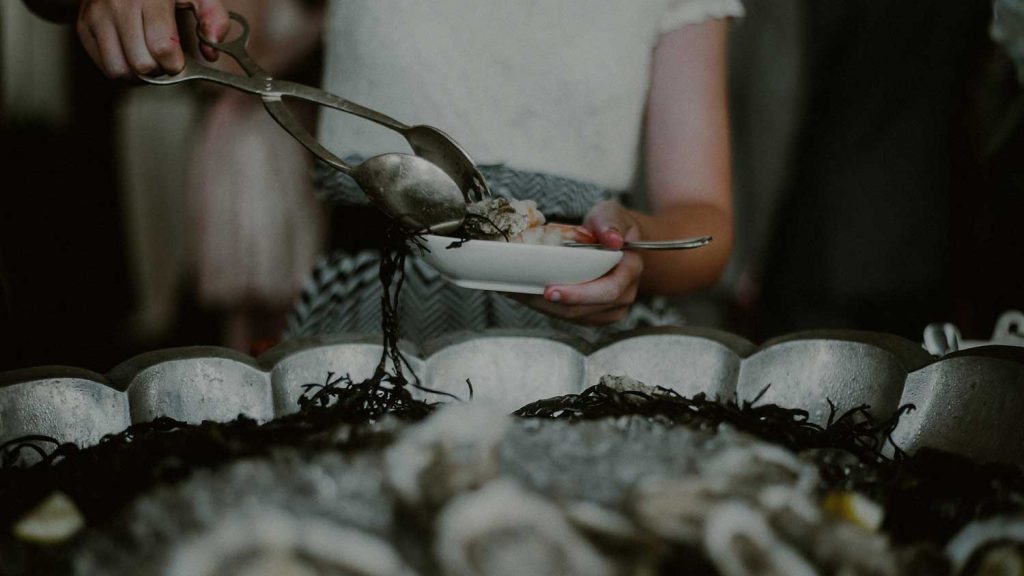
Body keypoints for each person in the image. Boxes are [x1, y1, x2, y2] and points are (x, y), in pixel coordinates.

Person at [23, 0, 742, 345]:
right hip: (368, 316)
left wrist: (634, 249)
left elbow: (704, 224)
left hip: (591, 331)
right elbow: (221, 27)